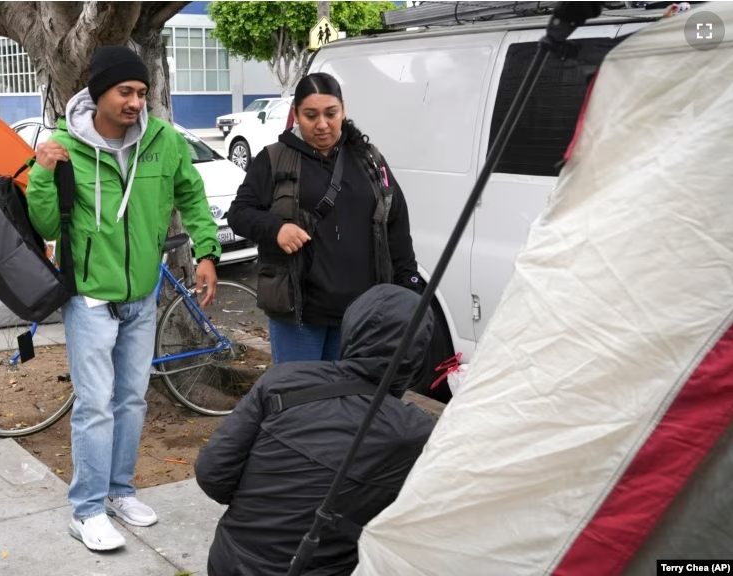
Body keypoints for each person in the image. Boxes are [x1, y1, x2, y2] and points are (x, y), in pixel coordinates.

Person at [26, 45, 222, 552]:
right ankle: (86, 510)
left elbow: (192, 195)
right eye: (126, 92)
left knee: (131, 400)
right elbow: (45, 224)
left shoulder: (162, 140)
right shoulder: (65, 144)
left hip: (142, 295)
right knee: (95, 407)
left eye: (142, 92)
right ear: (99, 93)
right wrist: (43, 172)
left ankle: (118, 492)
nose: (137, 102)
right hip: (91, 299)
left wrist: (207, 250)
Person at [195, 283, 437, 576]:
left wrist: (265, 507)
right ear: (418, 352)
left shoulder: (283, 380)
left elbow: (212, 473)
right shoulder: (416, 432)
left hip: (230, 560)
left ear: (352, 330)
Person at [227, 72, 425, 364]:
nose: (322, 124)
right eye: (311, 115)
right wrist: (276, 229)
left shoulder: (368, 158)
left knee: (349, 401)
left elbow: (395, 222)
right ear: (296, 114)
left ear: (343, 110)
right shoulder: (274, 159)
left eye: (331, 114)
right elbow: (240, 213)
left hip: (362, 314)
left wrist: (409, 287)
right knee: (302, 400)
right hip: (300, 316)